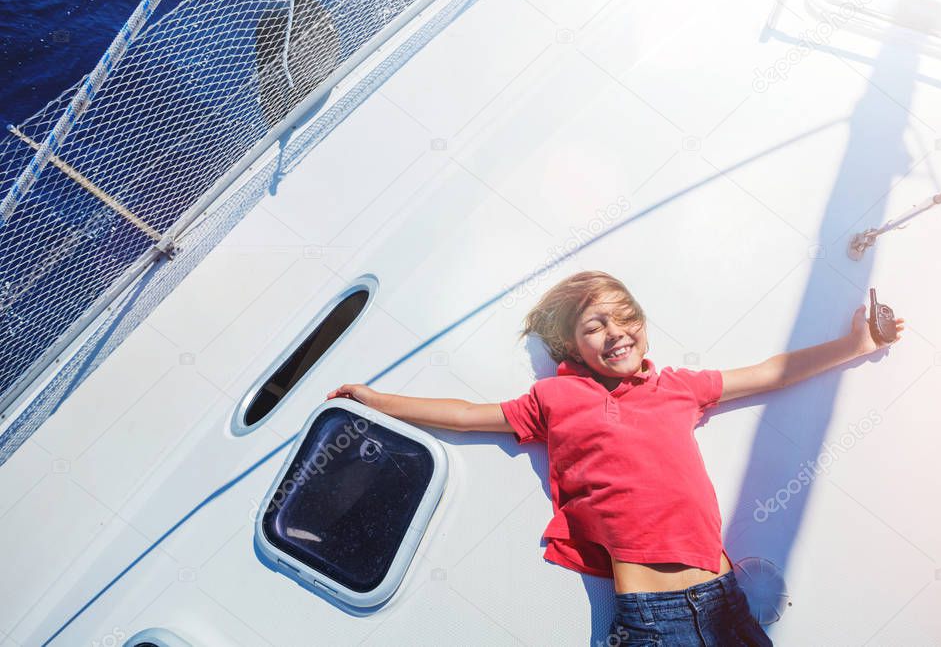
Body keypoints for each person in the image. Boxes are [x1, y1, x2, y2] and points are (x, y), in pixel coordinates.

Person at [326, 270, 905, 645]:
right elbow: (466, 414)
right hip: (654, 618)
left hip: (726, 603)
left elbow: (768, 373)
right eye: (594, 326)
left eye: (624, 318)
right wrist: (379, 401)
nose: (615, 332)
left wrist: (856, 345)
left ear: (643, 328)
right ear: (570, 348)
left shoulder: (678, 387)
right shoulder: (556, 398)